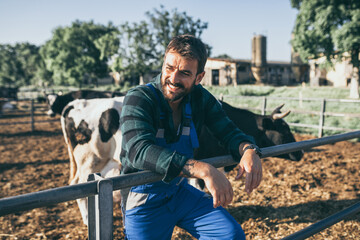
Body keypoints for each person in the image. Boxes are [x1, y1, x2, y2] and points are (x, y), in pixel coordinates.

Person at [120, 34, 262, 240]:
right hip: (143, 198)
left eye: (185, 73)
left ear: (199, 78)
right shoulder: (140, 98)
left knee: (230, 235)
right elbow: (138, 151)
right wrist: (203, 170)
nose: (173, 78)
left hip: (178, 190)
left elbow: (228, 131)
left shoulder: (199, 97)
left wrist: (249, 149)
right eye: (169, 68)